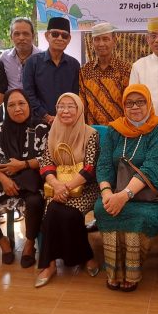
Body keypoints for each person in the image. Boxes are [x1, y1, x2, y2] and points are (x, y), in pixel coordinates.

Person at [95, 84, 158, 291]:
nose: (134, 107)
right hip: (116, 190)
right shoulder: (114, 129)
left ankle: (131, 272)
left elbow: (154, 167)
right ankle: (114, 271)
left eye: (140, 102)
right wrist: (106, 192)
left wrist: (124, 195)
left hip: (149, 195)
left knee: (139, 215)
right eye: (129, 103)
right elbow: (103, 164)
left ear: (149, 103)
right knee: (103, 208)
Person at [0, 89, 49, 268]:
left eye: (21, 103)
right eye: (11, 105)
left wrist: (23, 165)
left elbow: (48, 158)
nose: (17, 109)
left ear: (29, 105)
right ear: (6, 108)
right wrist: (3, 179)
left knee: (35, 202)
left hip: (32, 180)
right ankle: (3, 242)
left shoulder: (41, 128)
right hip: (3, 179)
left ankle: (30, 244)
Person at [35, 93, 100, 287]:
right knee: (52, 212)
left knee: (70, 215)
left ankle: (85, 256)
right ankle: (50, 264)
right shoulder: (52, 132)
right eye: (61, 106)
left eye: (71, 106)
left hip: (86, 188)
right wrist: (56, 185)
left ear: (79, 109)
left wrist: (67, 187)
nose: (65, 110)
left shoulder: (90, 134)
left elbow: (90, 168)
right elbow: (46, 162)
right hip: (57, 186)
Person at [23, 17, 80, 124]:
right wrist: (46, 116)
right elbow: (28, 94)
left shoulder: (74, 65)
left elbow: (75, 95)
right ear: (47, 35)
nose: (60, 38)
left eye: (64, 35)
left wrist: (65, 116)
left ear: (69, 39)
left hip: (67, 123)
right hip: (38, 123)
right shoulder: (32, 63)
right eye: (55, 34)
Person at [79, 22, 132, 125]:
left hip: (119, 129)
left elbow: (129, 102)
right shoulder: (85, 71)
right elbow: (82, 103)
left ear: (114, 41)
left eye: (105, 39)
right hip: (92, 130)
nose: (101, 44)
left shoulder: (125, 70)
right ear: (92, 42)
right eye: (97, 39)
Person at [0, 17, 42, 91]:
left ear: (33, 36)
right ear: (11, 37)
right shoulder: (4, 58)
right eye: (17, 34)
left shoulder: (43, 58)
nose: (21, 38)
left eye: (26, 34)